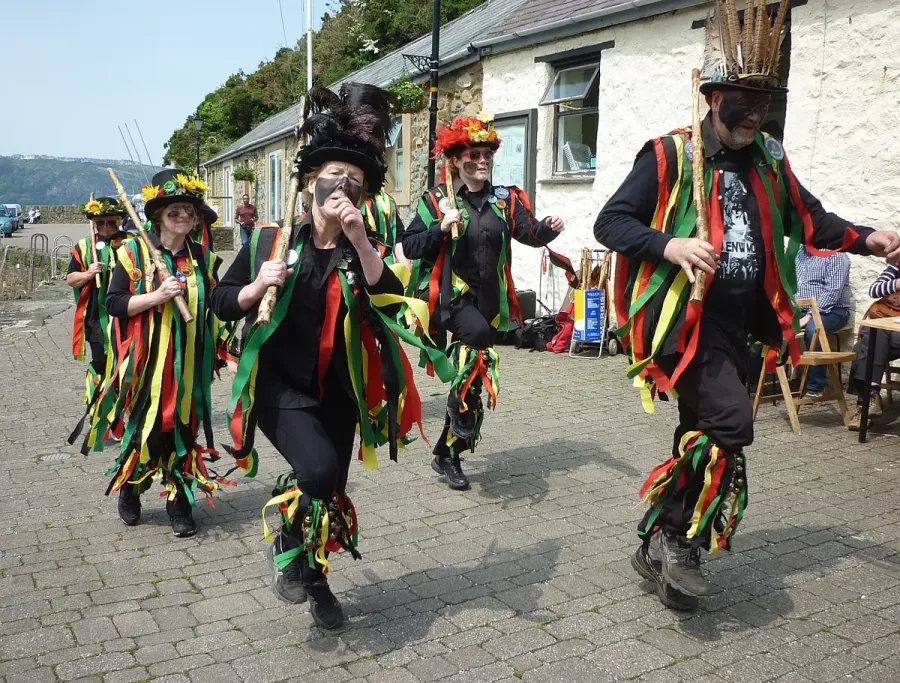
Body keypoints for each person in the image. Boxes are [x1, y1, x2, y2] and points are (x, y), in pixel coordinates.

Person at [594, 0, 900, 610]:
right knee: (732, 424)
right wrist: (671, 243)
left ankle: (656, 542)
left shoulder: (769, 157)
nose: (756, 115)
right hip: (687, 325)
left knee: (701, 428)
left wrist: (868, 237)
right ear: (713, 97)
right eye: (745, 103)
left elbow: (810, 218)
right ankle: (682, 543)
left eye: (765, 104)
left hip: (743, 325)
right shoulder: (669, 155)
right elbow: (611, 223)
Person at [211, 83, 432, 630]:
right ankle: (288, 539)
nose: (345, 186)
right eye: (335, 176)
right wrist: (254, 286)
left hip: (340, 390)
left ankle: (314, 579)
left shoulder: (366, 242)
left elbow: (390, 302)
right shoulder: (270, 240)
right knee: (315, 469)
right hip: (281, 389)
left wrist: (358, 239)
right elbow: (221, 303)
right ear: (311, 181)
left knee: (328, 486)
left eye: (356, 182)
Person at [402, 112, 572, 491]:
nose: (481, 161)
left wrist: (547, 228)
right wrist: (439, 228)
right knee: (477, 338)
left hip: (490, 302)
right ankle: (455, 419)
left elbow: (527, 233)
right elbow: (411, 246)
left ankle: (448, 454)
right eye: (473, 154)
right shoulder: (436, 201)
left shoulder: (505, 200)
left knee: (474, 380)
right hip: (450, 300)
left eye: (486, 154)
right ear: (454, 160)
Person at [80, 169, 231, 538]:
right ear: (159, 215)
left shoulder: (204, 258)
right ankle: (131, 489)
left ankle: (179, 503)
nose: (183, 216)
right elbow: (114, 303)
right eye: (175, 210)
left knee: (183, 428)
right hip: (147, 365)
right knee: (145, 430)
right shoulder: (132, 252)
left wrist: (223, 346)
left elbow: (216, 306)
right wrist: (156, 297)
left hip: (190, 366)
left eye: (189, 211)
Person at [66, 197, 131, 407]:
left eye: (111, 222)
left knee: (129, 362)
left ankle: (128, 408)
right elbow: (70, 279)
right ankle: (100, 409)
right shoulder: (85, 246)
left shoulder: (132, 243)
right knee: (102, 362)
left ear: (119, 220)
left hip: (128, 313)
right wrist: (88, 273)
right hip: (97, 316)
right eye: (100, 222)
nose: (105, 226)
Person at [847, 262, 900, 430]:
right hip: (889, 327)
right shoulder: (896, 267)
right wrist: (898, 283)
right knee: (872, 335)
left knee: (863, 347)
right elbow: (874, 290)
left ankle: (864, 405)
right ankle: (871, 396)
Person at [795, 245, 852, 396]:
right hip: (799, 309)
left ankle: (817, 386)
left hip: (834, 310)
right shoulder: (799, 252)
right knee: (766, 323)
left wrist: (810, 316)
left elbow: (832, 292)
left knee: (814, 328)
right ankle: (752, 380)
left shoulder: (836, 255)